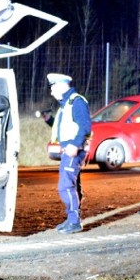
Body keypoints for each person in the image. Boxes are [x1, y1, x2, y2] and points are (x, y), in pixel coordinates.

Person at [43, 73, 93, 234]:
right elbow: (66, 127)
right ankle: (72, 219)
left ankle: (74, 222)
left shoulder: (76, 102)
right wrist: (49, 121)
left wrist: (75, 145)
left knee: (65, 186)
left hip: (74, 150)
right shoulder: (67, 104)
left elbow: (85, 127)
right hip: (70, 149)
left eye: (52, 88)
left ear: (61, 86)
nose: (51, 92)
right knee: (72, 185)